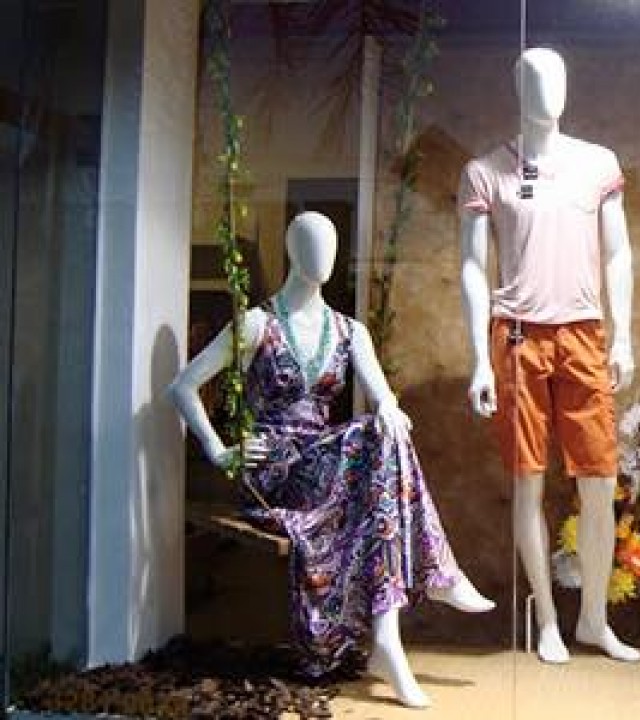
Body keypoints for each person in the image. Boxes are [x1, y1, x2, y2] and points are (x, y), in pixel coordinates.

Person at [169, 211, 494, 708]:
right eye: (310, 243)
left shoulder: (349, 331)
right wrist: (220, 452)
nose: (322, 255)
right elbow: (182, 387)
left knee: (383, 449)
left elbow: (383, 397)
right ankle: (436, 572)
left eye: (330, 244)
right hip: (276, 471)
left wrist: (390, 408)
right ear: (291, 250)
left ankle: (387, 638)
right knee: (374, 442)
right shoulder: (258, 324)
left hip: (326, 465)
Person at [458, 47, 640, 665]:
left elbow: (618, 253)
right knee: (527, 481)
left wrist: (623, 334)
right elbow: (472, 266)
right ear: (516, 88)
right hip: (516, 337)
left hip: (584, 333)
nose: (549, 89)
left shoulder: (597, 163)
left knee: (600, 483)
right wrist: (478, 358)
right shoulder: (485, 172)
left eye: (557, 76)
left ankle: (594, 618)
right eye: (535, 79)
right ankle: (548, 620)